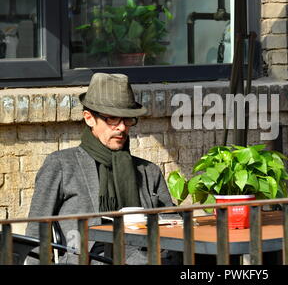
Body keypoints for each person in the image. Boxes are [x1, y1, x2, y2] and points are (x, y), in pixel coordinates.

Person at [26, 73, 179, 264]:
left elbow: (174, 226)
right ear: (89, 118)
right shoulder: (62, 165)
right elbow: (37, 232)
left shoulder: (148, 171)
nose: (122, 128)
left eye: (128, 119)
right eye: (112, 119)